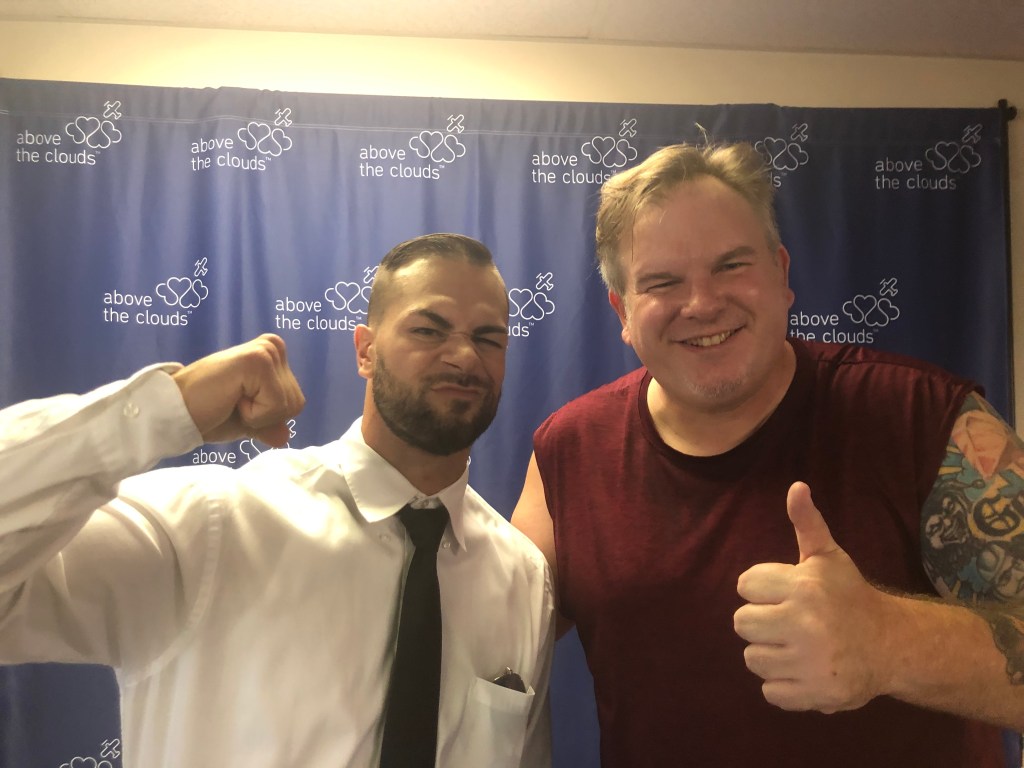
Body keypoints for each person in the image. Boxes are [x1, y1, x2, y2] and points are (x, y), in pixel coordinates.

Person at [511, 142, 1024, 767]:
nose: (702, 303)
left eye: (731, 266)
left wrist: (891, 641)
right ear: (623, 310)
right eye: (663, 282)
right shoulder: (570, 449)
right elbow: (495, 640)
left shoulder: (926, 417)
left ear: (781, 276)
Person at [0, 233, 554, 767]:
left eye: (489, 338)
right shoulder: (210, 525)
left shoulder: (522, 578)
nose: (463, 356)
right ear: (365, 351)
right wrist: (167, 410)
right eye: (429, 330)